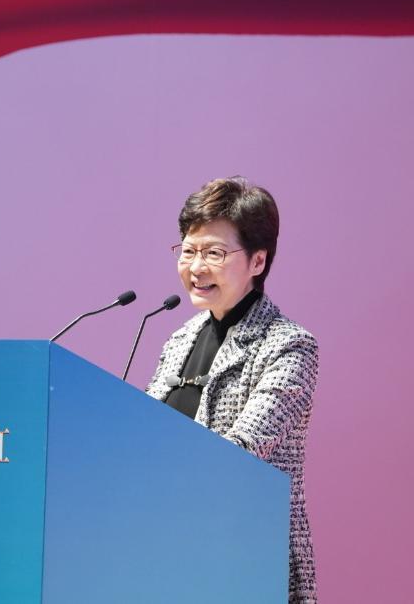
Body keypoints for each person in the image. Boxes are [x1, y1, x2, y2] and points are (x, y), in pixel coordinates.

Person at [145, 176, 318, 603]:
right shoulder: (179, 340)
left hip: (245, 559)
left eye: (214, 253)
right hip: (167, 554)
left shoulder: (289, 345)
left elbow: (241, 451)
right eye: (188, 251)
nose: (196, 267)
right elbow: (144, 439)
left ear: (258, 261)